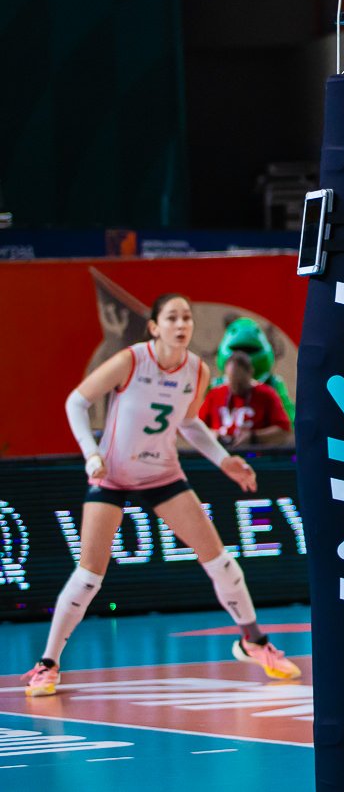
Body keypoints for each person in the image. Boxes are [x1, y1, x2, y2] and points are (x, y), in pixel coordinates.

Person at [24, 294, 302, 698]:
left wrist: (224, 460)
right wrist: (91, 454)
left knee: (221, 562)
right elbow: (76, 402)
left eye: (186, 317)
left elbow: (188, 423)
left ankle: (253, 642)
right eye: (172, 317)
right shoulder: (132, 360)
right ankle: (47, 665)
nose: (182, 324)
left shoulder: (197, 370)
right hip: (114, 475)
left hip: (163, 475)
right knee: (88, 577)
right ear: (155, 327)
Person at [198, 351, 292, 448]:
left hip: (254, 454)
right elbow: (196, 427)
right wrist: (212, 435)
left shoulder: (266, 395)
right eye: (232, 382)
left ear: (250, 373)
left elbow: (283, 430)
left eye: (240, 383)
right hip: (220, 453)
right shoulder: (215, 394)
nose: (235, 387)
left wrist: (254, 437)